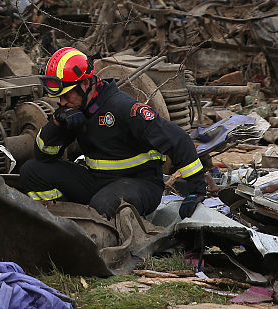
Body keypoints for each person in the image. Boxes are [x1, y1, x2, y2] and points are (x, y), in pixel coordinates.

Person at [20, 47, 207, 219]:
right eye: (59, 97)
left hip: (141, 183)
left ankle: (95, 229)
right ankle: (63, 223)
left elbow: (179, 140)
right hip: (97, 181)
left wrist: (195, 191)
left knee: (103, 204)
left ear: (86, 84)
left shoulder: (123, 108)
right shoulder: (77, 110)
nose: (62, 102)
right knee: (31, 171)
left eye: (67, 95)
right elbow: (43, 155)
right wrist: (56, 123)